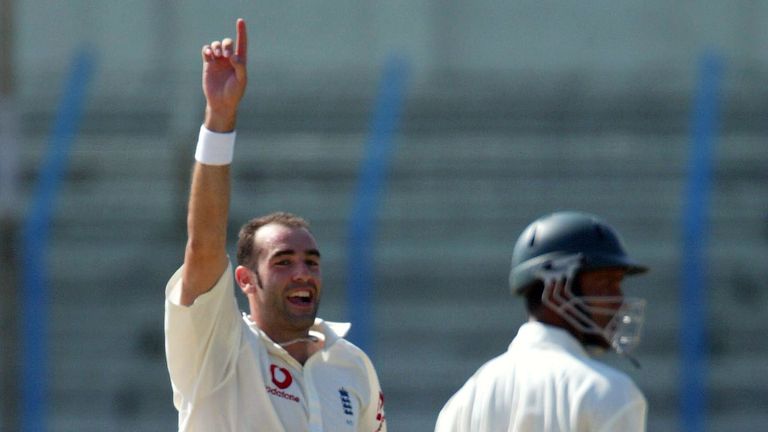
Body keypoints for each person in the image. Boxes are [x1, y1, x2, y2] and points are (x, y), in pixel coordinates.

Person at [163, 18, 386, 432]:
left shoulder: (352, 365)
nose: (303, 272)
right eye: (283, 262)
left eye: (312, 261)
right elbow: (205, 244)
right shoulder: (219, 346)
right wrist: (220, 117)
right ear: (246, 280)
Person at [435, 211, 648, 432]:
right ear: (557, 288)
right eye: (606, 284)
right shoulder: (608, 392)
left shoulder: (462, 403)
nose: (619, 301)